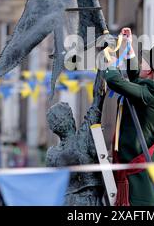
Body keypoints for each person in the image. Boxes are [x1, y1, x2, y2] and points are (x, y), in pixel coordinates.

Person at [104, 27, 154, 206]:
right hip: (131, 160)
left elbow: (115, 81)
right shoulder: (152, 87)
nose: (142, 64)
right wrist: (128, 47)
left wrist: (111, 66)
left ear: (152, 70)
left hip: (135, 164)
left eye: (145, 62)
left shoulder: (152, 92)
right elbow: (136, 78)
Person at [45, 70, 107, 206]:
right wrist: (103, 65)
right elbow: (97, 99)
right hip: (88, 202)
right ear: (71, 120)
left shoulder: (51, 155)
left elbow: (50, 186)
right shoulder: (82, 139)